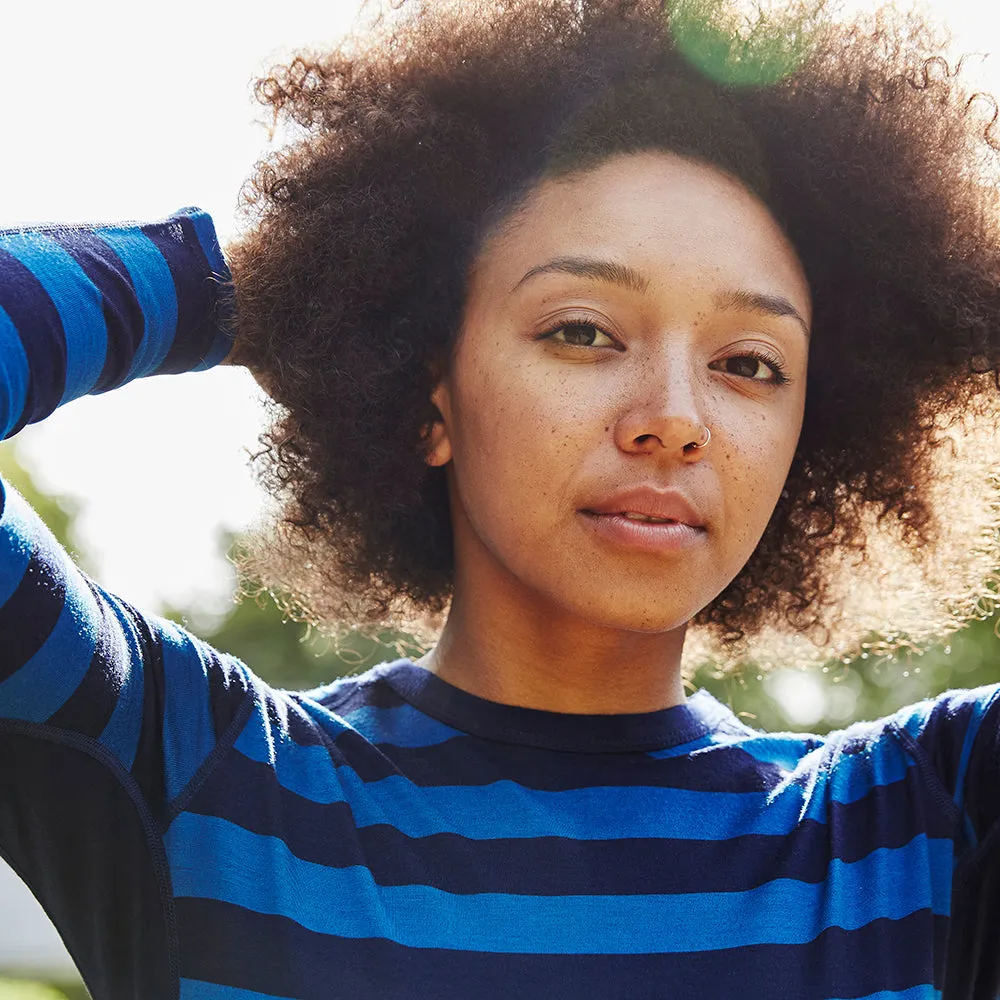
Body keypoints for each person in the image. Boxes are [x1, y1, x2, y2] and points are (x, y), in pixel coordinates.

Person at [1, 0, 999, 997]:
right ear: (431, 395)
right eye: (581, 331)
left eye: (748, 363)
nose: (675, 416)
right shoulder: (199, 775)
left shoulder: (924, 822)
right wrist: (281, 288)